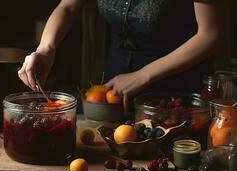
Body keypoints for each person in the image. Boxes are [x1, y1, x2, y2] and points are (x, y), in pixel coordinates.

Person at [18, 0, 220, 111]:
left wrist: (143, 75)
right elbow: (68, 7)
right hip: (114, 90)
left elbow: (210, 36)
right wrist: (46, 48)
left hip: (173, 98)